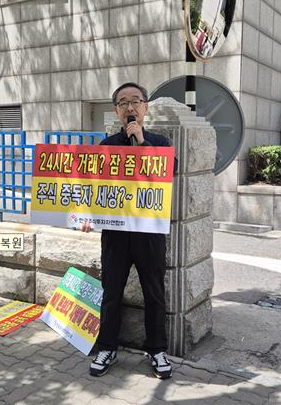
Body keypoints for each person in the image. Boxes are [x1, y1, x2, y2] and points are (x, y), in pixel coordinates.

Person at [83, 82, 173, 379]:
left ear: (145, 107)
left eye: (135, 101)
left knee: (154, 293)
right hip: (116, 233)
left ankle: (157, 349)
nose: (130, 107)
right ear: (116, 110)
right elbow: (96, 187)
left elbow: (166, 174)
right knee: (111, 292)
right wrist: (86, 215)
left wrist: (142, 143)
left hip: (149, 233)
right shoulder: (107, 146)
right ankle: (107, 347)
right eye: (123, 103)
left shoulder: (159, 144)